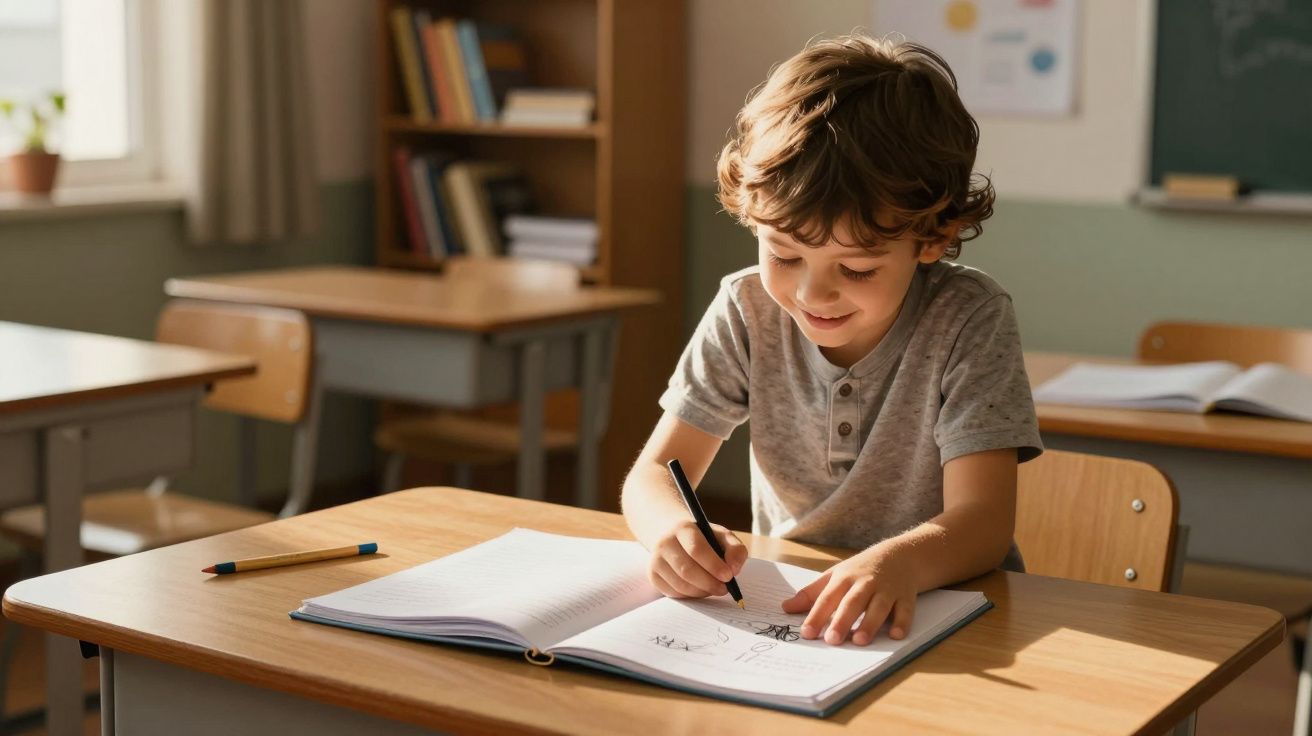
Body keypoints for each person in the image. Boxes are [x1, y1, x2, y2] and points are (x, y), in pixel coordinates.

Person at [621, 34, 1043, 647]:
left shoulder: (968, 318)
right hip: (799, 612)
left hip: (953, 609)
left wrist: (896, 563)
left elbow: (984, 523)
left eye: (857, 269)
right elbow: (657, 472)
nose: (812, 295)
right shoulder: (747, 308)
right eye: (784, 254)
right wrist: (672, 530)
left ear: (932, 237)